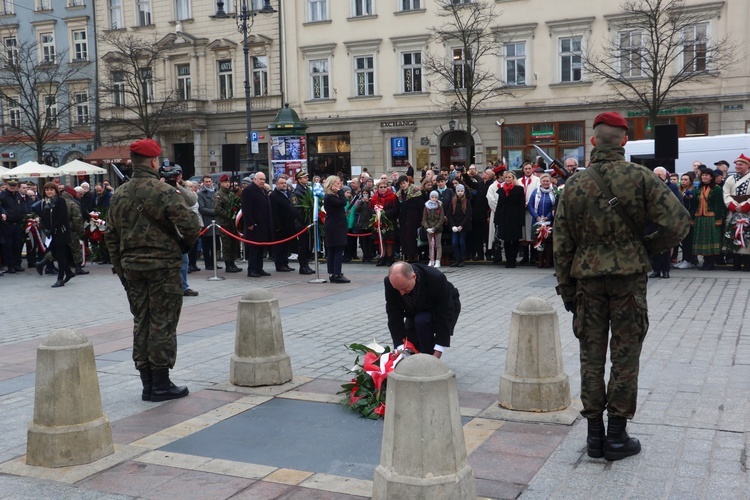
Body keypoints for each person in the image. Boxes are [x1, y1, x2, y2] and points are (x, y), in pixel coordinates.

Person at [554, 111, 689, 461]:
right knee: (625, 356)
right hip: (628, 279)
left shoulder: (575, 184)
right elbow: (678, 223)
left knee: (591, 357)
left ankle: (595, 435)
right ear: (625, 141)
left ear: (594, 141)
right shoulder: (641, 177)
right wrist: (646, 248)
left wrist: (567, 290)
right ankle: (617, 435)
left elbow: (562, 244)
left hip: (587, 281)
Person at [105, 138, 201, 402]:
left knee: (142, 321)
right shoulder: (164, 191)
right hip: (163, 267)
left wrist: (120, 269)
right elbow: (192, 225)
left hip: (132, 268)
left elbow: (110, 236)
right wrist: (183, 246)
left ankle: (147, 384)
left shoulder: (119, 194)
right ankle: (161, 384)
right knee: (163, 322)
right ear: (154, 161)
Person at [384, 261, 461, 357]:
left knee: (421, 321)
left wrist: (438, 350)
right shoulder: (390, 283)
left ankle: (428, 361)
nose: (401, 293)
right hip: (415, 309)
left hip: (443, 306)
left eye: (404, 288)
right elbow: (393, 315)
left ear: (414, 277)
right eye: (397, 289)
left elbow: (445, 313)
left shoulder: (436, 278)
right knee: (411, 341)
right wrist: (399, 347)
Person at [39, 182, 76, 287]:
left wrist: (52, 229)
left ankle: (60, 278)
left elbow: (62, 217)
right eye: (47, 190)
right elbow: (42, 217)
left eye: (51, 189)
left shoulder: (60, 200)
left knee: (60, 255)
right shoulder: (43, 202)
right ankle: (68, 272)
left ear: (55, 191)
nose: (49, 191)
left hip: (61, 231)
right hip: (51, 233)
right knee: (55, 254)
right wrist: (45, 228)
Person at [689, 168, 725, 270]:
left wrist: (718, 219)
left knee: (711, 239)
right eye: (703, 175)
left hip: (711, 218)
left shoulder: (717, 189)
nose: (704, 177)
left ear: (711, 177)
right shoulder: (698, 189)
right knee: (702, 240)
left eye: (706, 175)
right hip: (700, 218)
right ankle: (705, 261)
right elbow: (694, 205)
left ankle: (710, 263)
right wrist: (692, 218)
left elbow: (719, 205)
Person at [241, 171, 273, 277]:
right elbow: (246, 208)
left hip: (263, 225)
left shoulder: (263, 190)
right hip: (254, 225)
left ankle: (259, 268)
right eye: (260, 179)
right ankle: (252, 269)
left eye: (264, 179)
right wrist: (250, 223)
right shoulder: (248, 190)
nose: (262, 181)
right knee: (254, 248)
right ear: (254, 179)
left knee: (261, 248)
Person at [722, 154, 750, 271]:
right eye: (736, 164)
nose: (737, 166)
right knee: (734, 235)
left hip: (748, 212)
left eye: (740, 164)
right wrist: (733, 206)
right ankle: (736, 263)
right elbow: (726, 193)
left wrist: (745, 206)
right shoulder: (730, 179)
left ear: (747, 166)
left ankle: (748, 263)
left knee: (747, 236)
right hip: (733, 211)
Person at [494, 171, 525, 268]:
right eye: (506, 177)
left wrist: (521, 220)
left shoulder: (519, 189)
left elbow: (521, 205)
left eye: (509, 177)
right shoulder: (501, 190)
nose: (507, 179)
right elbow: (499, 205)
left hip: (515, 218)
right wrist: (496, 219)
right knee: (506, 240)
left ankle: (513, 259)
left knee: (515, 239)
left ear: (513, 178)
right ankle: (508, 260)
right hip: (504, 218)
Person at [323, 175, 350, 283]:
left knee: (333, 250)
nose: (340, 186)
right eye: (337, 184)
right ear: (331, 185)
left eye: (340, 183)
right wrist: (340, 192)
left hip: (335, 225)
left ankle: (333, 272)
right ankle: (336, 273)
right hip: (335, 226)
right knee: (336, 250)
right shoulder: (330, 197)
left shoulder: (331, 196)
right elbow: (343, 202)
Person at [214, 174, 243, 273]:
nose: (227, 184)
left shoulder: (230, 194)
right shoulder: (219, 194)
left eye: (228, 182)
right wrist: (229, 215)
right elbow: (218, 209)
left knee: (234, 243)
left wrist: (235, 213)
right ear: (221, 183)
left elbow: (236, 204)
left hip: (232, 224)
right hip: (224, 223)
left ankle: (233, 262)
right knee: (226, 244)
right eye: (225, 182)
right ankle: (228, 264)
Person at [528, 173, 556, 268]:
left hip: (549, 221)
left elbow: (555, 206)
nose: (545, 182)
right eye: (543, 181)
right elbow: (530, 205)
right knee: (539, 240)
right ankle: (540, 260)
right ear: (540, 182)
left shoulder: (554, 192)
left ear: (550, 182)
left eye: (547, 181)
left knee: (548, 241)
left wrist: (548, 217)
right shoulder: (535, 192)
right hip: (537, 221)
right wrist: (536, 216)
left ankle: (548, 260)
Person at [269, 176, 296, 272]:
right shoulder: (273, 196)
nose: (284, 184)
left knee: (286, 246)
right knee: (279, 247)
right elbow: (274, 213)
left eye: (285, 183)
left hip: (288, 225)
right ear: (276, 185)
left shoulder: (288, 193)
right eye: (281, 183)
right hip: (279, 226)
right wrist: (277, 226)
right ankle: (279, 264)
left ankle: (285, 263)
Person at [370, 179, 399, 266]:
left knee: (389, 241)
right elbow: (370, 209)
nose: (383, 189)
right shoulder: (374, 198)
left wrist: (384, 213)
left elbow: (396, 209)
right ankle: (382, 257)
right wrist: (376, 212)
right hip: (378, 222)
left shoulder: (393, 197)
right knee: (380, 240)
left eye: (384, 187)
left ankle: (389, 258)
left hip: (389, 221)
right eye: (381, 187)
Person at [396, 175, 424, 263]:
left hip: (414, 218)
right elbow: (399, 207)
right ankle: (407, 255)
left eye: (404, 183)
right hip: (404, 219)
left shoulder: (416, 191)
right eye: (401, 184)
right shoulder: (399, 194)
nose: (403, 185)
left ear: (408, 182)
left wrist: (422, 219)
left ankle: (415, 256)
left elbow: (421, 206)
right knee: (405, 237)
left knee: (413, 237)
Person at [0, 179, 26, 273]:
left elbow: (22, 206)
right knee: (8, 245)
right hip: (7, 224)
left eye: (14, 185)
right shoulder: (2, 196)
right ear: (7, 185)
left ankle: (17, 264)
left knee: (17, 245)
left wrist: (24, 214)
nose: (12, 187)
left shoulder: (17, 195)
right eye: (11, 185)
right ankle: (10, 265)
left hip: (17, 223)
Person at [291, 170, 314, 275]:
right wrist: (305, 219)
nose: (307, 179)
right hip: (302, 223)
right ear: (299, 180)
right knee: (303, 245)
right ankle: (302, 266)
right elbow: (296, 209)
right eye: (304, 177)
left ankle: (307, 264)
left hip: (309, 223)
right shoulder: (296, 193)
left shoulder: (307, 190)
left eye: (307, 177)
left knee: (309, 245)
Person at [197, 175, 221, 271]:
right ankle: (208, 263)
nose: (208, 183)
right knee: (207, 245)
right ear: (203, 182)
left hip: (216, 222)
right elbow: (202, 208)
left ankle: (214, 262)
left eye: (209, 181)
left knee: (216, 244)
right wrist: (214, 211)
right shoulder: (200, 194)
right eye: (206, 181)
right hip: (207, 222)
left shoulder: (216, 192)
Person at [447, 184, 471, 267]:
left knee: (461, 242)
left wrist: (461, 226)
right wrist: (453, 225)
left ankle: (461, 259)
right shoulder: (453, 201)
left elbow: (468, 215)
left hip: (463, 226)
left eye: (461, 191)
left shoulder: (466, 201)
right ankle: (457, 258)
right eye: (458, 191)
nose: (460, 193)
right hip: (455, 226)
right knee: (454, 242)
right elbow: (449, 214)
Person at [422, 190, 445, 268]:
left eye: (435, 197)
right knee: (431, 245)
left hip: (437, 229)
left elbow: (441, 218)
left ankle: (438, 260)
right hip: (429, 229)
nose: (434, 199)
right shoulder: (426, 207)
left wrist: (436, 227)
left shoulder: (440, 206)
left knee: (438, 245)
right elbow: (424, 219)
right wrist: (427, 228)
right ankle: (431, 260)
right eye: (432, 197)